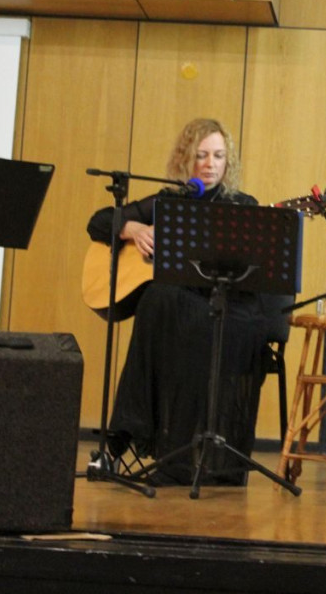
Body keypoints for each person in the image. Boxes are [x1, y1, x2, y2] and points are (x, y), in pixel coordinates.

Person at [86, 118, 270, 485]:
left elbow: (254, 276)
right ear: (186, 159)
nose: (210, 163)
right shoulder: (170, 200)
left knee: (161, 303)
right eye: (201, 155)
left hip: (227, 312)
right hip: (179, 312)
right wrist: (131, 227)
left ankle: (128, 441)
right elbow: (98, 221)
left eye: (219, 155)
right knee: (159, 299)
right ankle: (158, 449)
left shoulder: (241, 205)